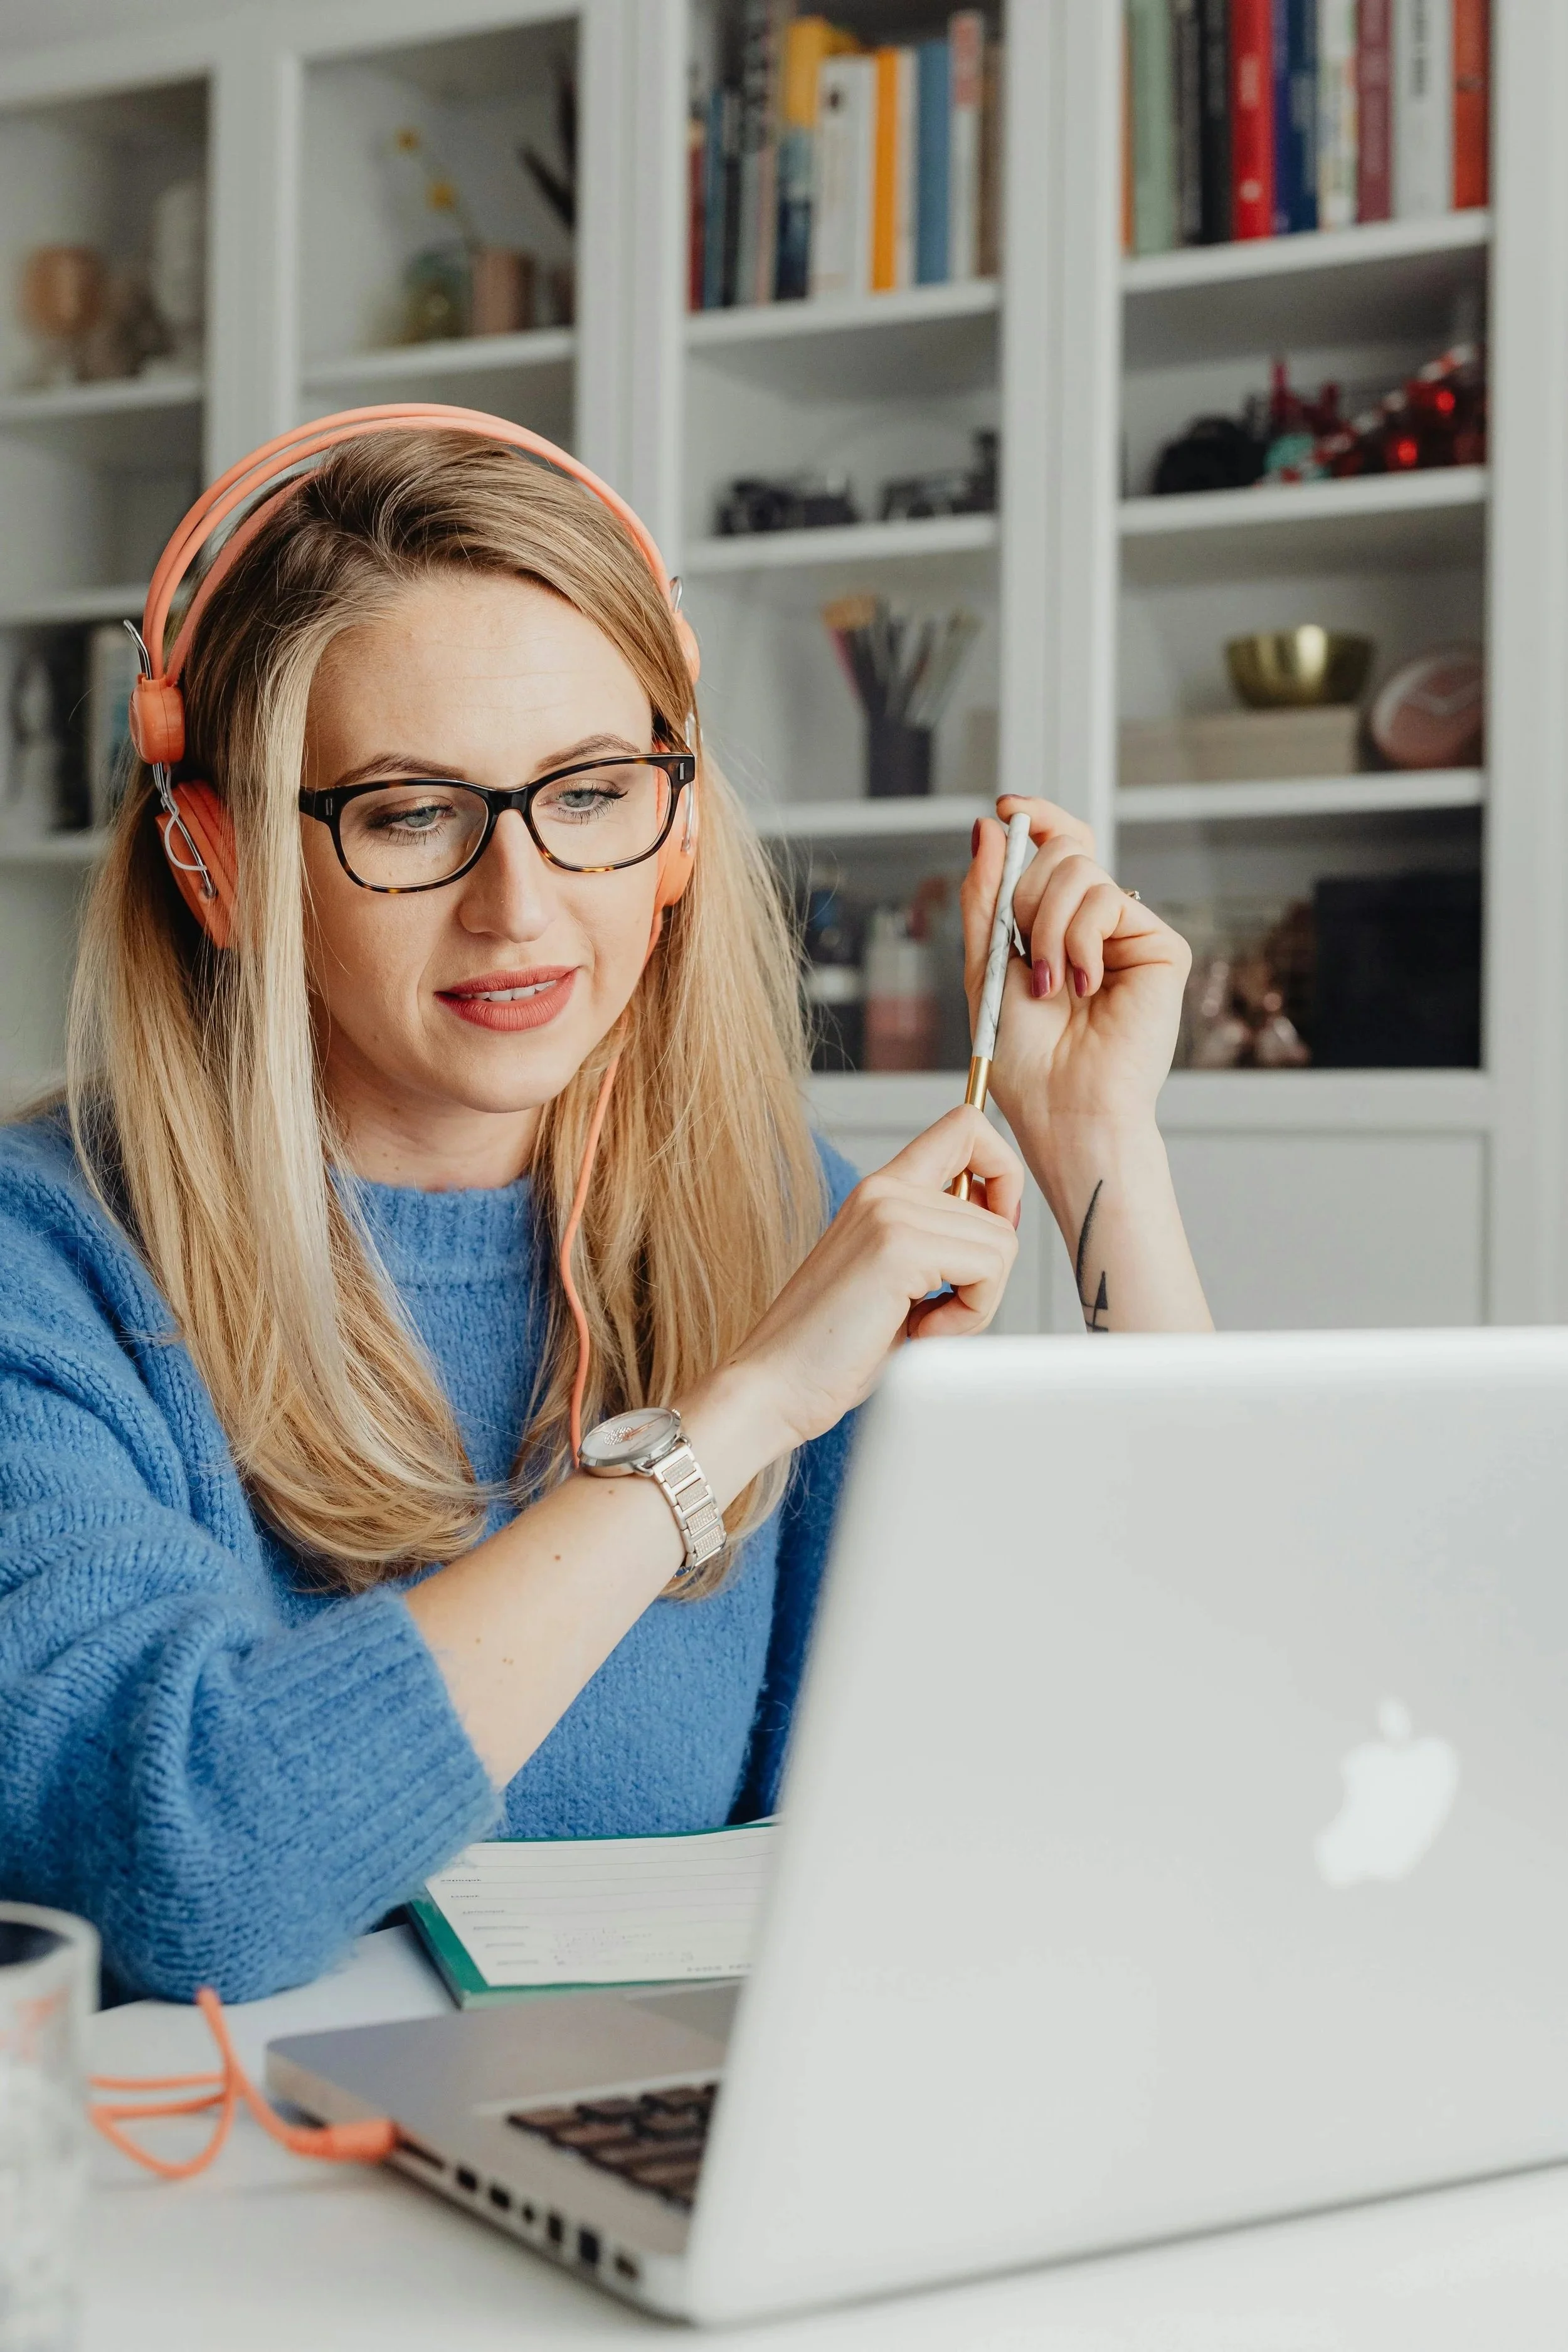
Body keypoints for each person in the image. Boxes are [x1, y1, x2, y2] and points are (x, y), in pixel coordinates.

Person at [0, 421, 1209, 2003]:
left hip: (678, 2138)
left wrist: (1095, 1143)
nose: (521, 899)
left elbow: (1164, 1753)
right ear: (214, 861)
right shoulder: (51, 1264)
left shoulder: (773, 1218)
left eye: (589, 790)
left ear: (678, 825)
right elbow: (193, 1876)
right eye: (409, 813)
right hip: (233, 2206)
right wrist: (733, 1420)